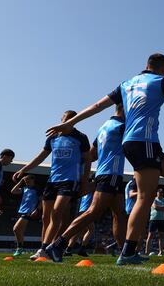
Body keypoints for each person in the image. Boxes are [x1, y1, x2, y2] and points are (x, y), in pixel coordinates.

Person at [44, 53, 164, 265]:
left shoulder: (126, 84)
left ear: (146, 65)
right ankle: (126, 252)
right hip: (143, 141)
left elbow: (97, 106)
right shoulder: (160, 81)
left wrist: (70, 123)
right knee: (145, 198)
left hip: (135, 143)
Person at [43, 106, 128, 262]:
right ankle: (58, 244)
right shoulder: (122, 126)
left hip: (108, 173)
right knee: (93, 211)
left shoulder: (104, 126)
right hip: (111, 173)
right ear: (123, 108)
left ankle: (126, 253)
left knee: (120, 214)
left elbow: (92, 154)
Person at [15, 110, 91, 261]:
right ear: (61, 119)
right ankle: (45, 248)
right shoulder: (53, 137)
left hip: (69, 180)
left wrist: (84, 182)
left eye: (71, 119)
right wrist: (24, 169)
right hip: (52, 180)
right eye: (65, 119)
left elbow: (88, 160)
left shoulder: (81, 138)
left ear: (75, 121)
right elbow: (41, 156)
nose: (67, 121)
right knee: (46, 217)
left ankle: (45, 249)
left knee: (57, 213)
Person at [10, 175, 41, 256]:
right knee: (20, 231)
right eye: (26, 181)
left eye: (28, 181)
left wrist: (37, 210)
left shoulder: (37, 189)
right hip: (21, 211)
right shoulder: (24, 189)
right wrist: (20, 182)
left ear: (33, 180)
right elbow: (13, 191)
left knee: (15, 229)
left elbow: (42, 201)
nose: (27, 182)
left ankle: (19, 248)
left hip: (28, 212)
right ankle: (20, 249)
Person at [145, 188, 164, 256]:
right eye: (159, 192)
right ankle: (147, 252)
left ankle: (161, 252)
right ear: (157, 193)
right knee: (150, 235)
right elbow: (155, 207)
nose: (160, 193)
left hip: (162, 219)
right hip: (153, 219)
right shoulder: (153, 199)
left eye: (161, 192)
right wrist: (163, 207)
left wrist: (160, 207)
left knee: (161, 236)